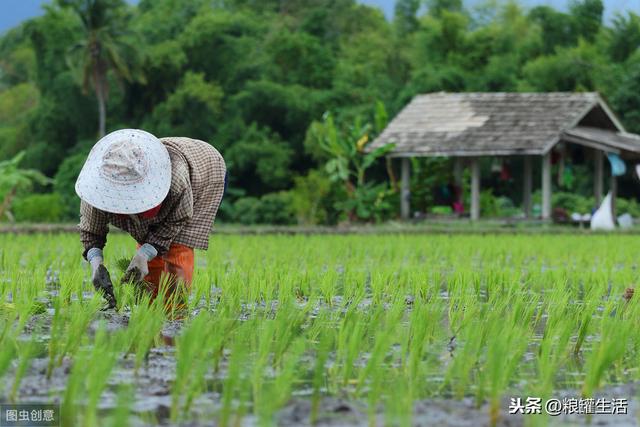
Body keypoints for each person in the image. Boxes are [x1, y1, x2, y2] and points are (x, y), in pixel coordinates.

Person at [75, 129, 226, 310]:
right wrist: (95, 264)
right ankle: (150, 311)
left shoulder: (176, 180)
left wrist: (144, 253)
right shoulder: (96, 190)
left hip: (205, 171)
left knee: (177, 252)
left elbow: (177, 220)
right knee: (147, 268)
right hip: (174, 175)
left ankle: (174, 314)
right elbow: (91, 230)